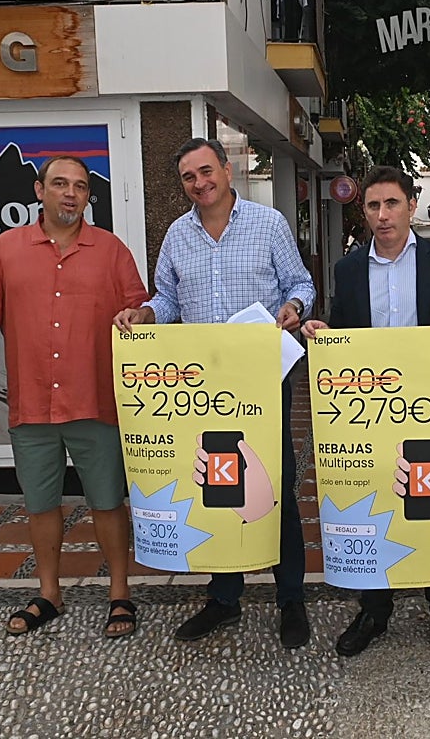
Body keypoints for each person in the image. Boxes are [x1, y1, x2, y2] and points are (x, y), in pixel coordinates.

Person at [112, 137, 315, 649]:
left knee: (276, 484)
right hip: (204, 387)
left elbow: (302, 283)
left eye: (206, 171)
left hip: (263, 380)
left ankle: (291, 598)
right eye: (189, 177)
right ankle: (224, 598)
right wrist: (145, 314)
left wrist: (293, 307)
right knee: (217, 485)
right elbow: (168, 298)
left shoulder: (268, 224)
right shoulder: (177, 235)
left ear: (226, 170)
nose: (199, 183)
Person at [302, 166, 430, 660]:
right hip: (373, 415)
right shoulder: (348, 270)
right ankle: (375, 610)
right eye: (373, 205)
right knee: (375, 502)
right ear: (364, 212)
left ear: (412, 205)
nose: (383, 215)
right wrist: (324, 337)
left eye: (392, 203)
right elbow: (343, 336)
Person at [0, 156, 148, 639]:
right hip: (32, 405)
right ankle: (49, 593)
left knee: (107, 502)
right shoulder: (4, 250)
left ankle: (120, 593)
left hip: (97, 403)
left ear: (88, 196)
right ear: (39, 190)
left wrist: (141, 316)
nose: (70, 193)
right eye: (60, 184)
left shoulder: (111, 251)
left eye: (80, 186)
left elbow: (142, 310)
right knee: (40, 504)